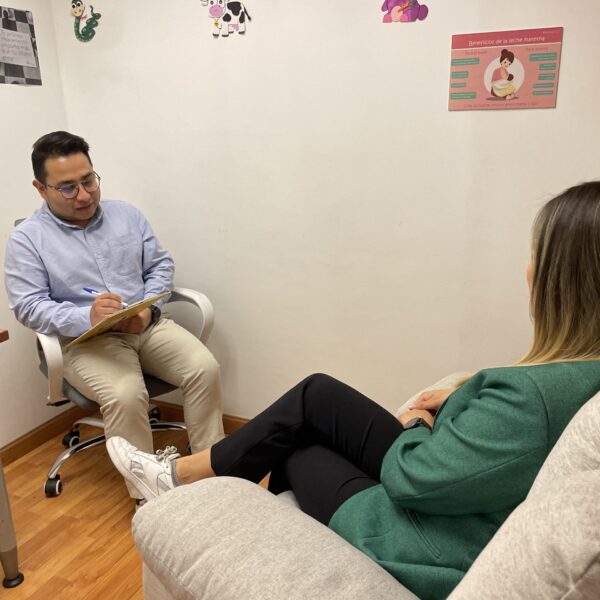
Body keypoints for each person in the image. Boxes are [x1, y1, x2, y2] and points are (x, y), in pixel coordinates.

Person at [107, 181, 600, 599]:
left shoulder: (529, 397)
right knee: (316, 395)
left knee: (295, 448)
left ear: (561, 279)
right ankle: (187, 478)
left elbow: (413, 479)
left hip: (429, 541)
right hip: (461, 502)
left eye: (535, 256)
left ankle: (220, 507)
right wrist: (462, 398)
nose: (526, 270)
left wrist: (416, 424)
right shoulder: (579, 375)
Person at [4, 131, 224, 502]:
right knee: (125, 394)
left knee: (204, 368)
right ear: (41, 189)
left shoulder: (127, 215)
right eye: (68, 188)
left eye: (88, 180)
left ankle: (209, 472)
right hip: (86, 342)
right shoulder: (27, 239)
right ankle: (149, 499)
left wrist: (148, 307)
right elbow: (28, 305)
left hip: (145, 326)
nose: (84, 195)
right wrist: (86, 316)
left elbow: (159, 265)